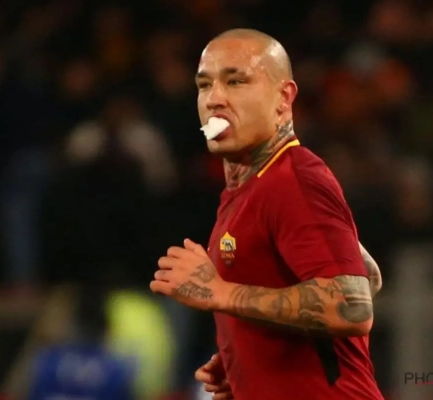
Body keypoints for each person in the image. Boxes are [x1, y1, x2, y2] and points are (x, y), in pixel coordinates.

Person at [150, 28, 384, 400]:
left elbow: (352, 306)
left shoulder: (293, 180)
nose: (214, 99)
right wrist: (253, 348)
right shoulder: (248, 189)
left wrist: (219, 292)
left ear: (283, 98)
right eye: (205, 85)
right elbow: (367, 275)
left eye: (236, 81)